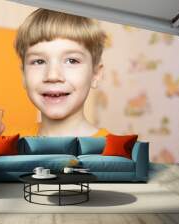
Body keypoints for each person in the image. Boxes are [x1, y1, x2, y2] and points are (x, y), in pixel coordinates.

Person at [14, 8, 109, 137]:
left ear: (95, 74)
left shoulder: (117, 152)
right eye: (39, 61)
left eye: (71, 60)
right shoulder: (11, 146)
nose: (52, 76)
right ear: (23, 76)